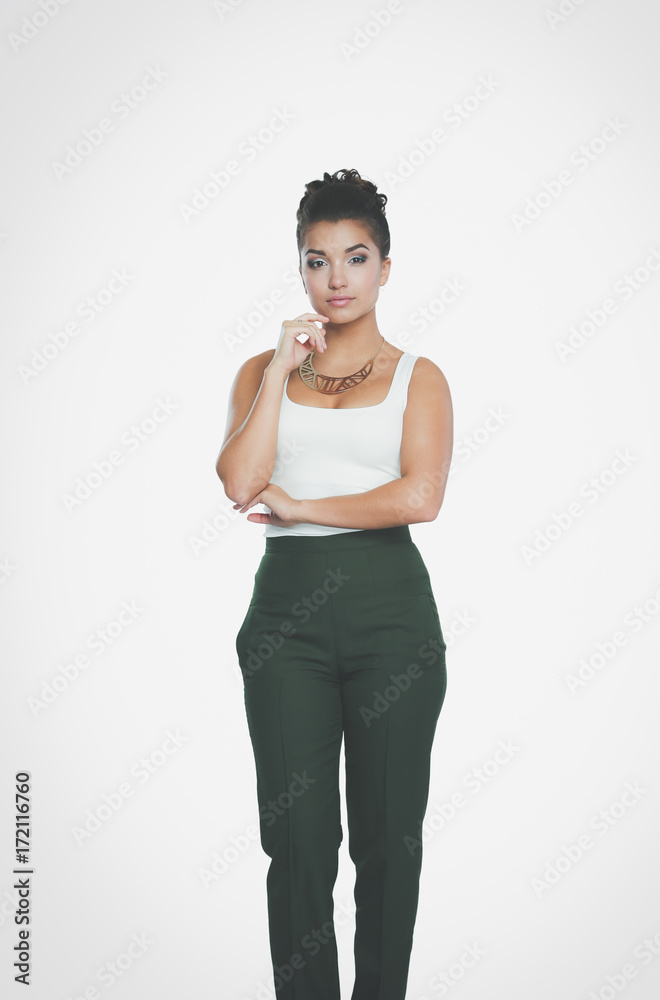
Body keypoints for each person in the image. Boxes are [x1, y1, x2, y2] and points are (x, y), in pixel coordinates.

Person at [215, 167, 453, 1000]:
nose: (337, 279)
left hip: (392, 618)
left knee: (389, 842)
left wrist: (307, 503)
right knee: (299, 842)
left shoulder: (420, 376)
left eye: (355, 258)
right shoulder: (261, 370)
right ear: (301, 270)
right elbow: (241, 483)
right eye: (317, 261)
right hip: (286, 625)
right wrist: (281, 366)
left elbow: (419, 497)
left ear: (386, 267)